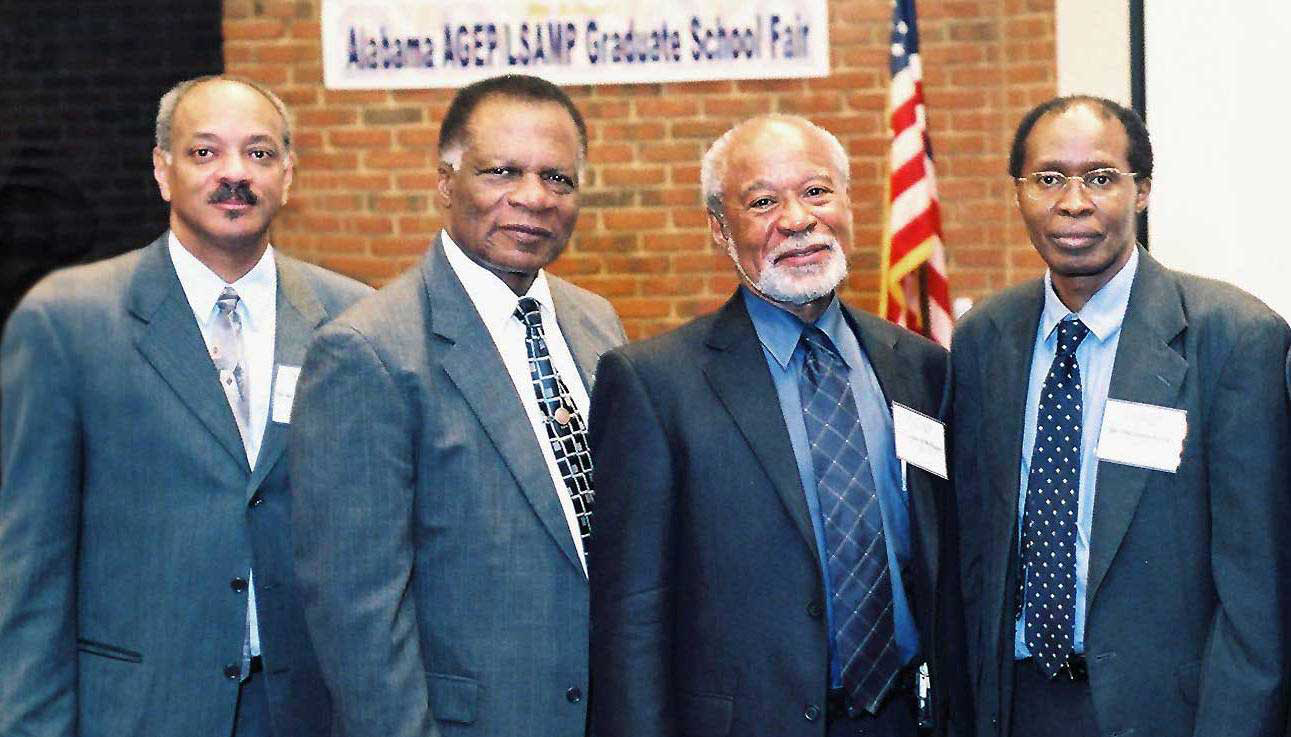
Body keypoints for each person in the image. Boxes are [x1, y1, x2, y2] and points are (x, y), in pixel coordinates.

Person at [0, 75, 371, 737]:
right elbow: (30, 562)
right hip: (139, 707)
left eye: (259, 153)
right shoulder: (69, 321)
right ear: (161, 169)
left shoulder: (351, 320)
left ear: (287, 175)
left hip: (308, 709)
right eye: (205, 152)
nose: (235, 173)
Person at [587, 114, 968, 737]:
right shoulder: (654, 386)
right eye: (763, 202)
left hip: (908, 719)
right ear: (720, 228)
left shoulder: (921, 368)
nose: (797, 219)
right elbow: (632, 616)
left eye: (817, 191)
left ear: (847, 203)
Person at [290, 74, 626, 737]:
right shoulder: (368, 352)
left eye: (557, 178)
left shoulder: (596, 322)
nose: (533, 197)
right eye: (502, 171)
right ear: (445, 183)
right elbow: (358, 613)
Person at [950, 95, 1291, 737]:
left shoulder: (1236, 339)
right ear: (1018, 193)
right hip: (1018, 705)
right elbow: (972, 555)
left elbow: (1258, 596)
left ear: (1143, 192)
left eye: (1101, 178)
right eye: (1049, 178)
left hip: (1171, 715)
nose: (1073, 202)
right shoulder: (983, 340)